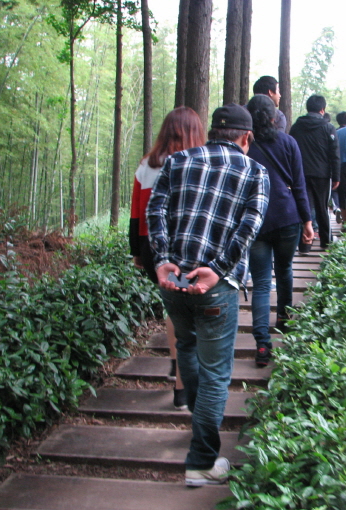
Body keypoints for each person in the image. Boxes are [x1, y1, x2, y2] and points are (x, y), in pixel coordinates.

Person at [146, 104, 269, 486]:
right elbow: (249, 228)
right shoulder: (255, 171)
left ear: (214, 132)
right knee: (216, 373)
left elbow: (155, 212)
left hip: (175, 282)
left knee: (186, 345)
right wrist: (217, 268)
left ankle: (201, 434)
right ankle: (201, 461)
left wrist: (162, 260)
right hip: (216, 287)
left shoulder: (177, 161)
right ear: (246, 137)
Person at [129, 106, 205, 410]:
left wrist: (137, 252)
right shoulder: (197, 164)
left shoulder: (146, 165)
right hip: (184, 248)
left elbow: (136, 214)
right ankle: (182, 388)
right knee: (187, 316)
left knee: (173, 308)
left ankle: (176, 362)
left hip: (152, 249)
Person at [247, 95, 313, 366]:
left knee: (261, 283)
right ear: (274, 117)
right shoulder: (288, 142)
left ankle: (262, 345)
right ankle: (284, 321)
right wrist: (307, 221)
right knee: (284, 270)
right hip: (287, 217)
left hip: (256, 221)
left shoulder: (245, 146)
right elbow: (299, 185)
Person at [289, 95, 341, 252]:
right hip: (322, 175)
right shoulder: (328, 128)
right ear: (322, 110)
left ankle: (304, 245)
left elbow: (290, 151)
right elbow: (335, 154)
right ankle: (326, 242)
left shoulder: (296, 127)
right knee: (322, 208)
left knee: (303, 208)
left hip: (301, 174)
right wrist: (336, 176)